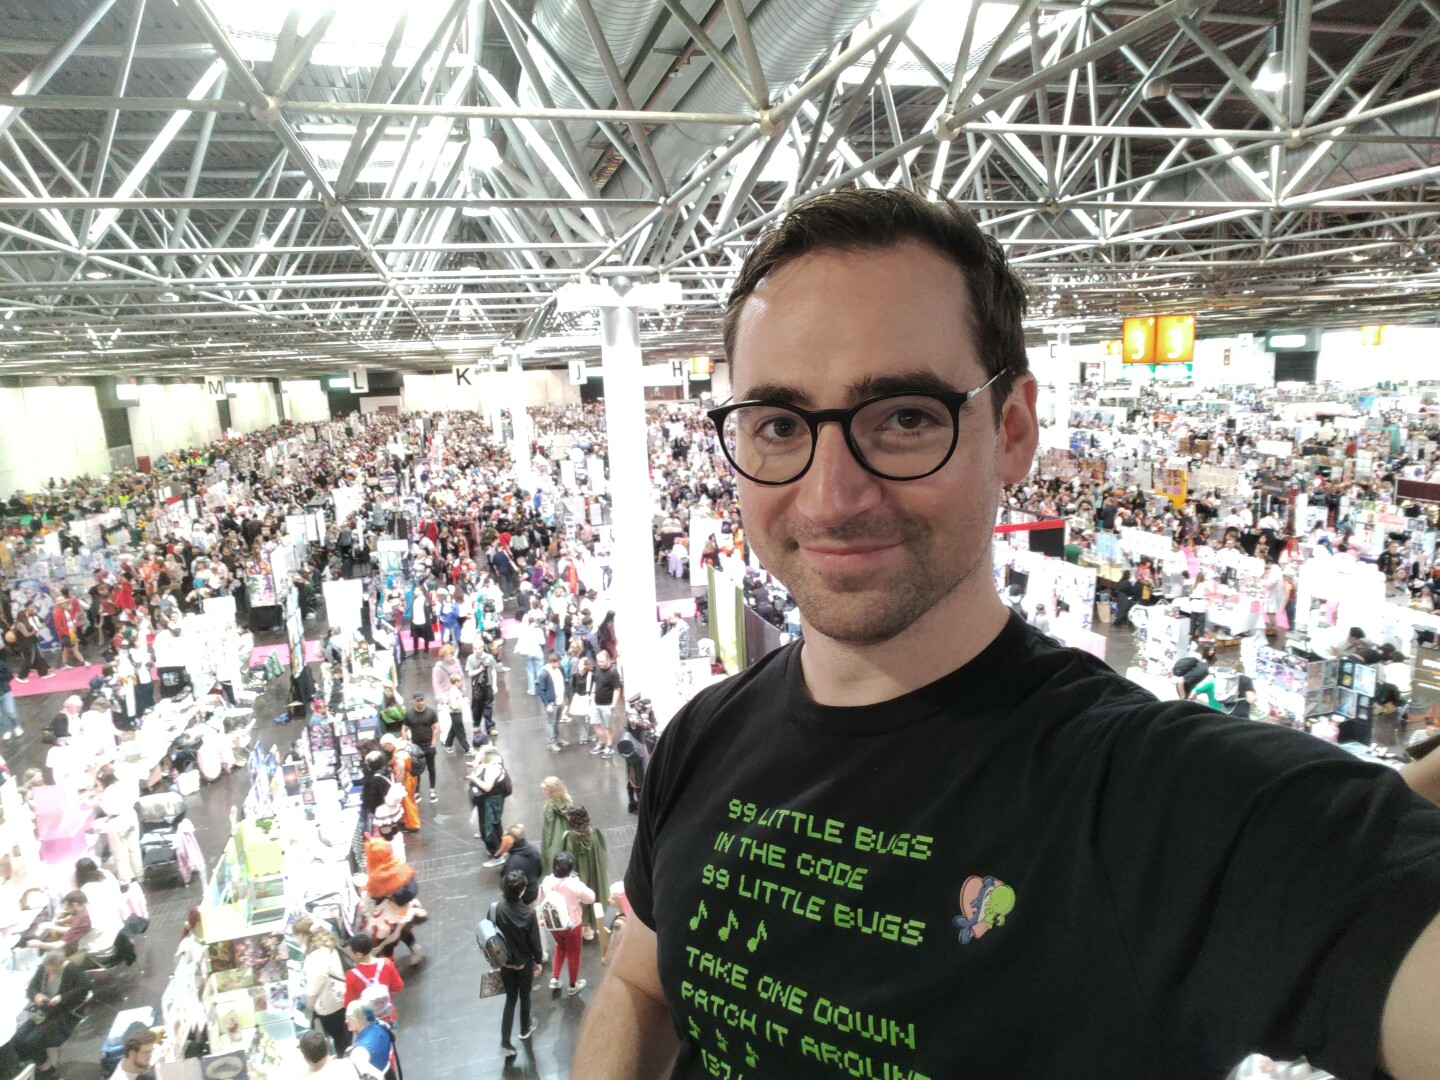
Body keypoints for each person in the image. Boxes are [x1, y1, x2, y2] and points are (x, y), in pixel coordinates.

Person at [574, 188, 1440, 1079]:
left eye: (906, 417)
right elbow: (643, 986)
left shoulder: (1156, 799)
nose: (831, 496)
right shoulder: (701, 737)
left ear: (1014, 431)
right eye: (781, 425)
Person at [12, 950, 91, 1075]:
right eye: (47, 969)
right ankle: (30, 1064)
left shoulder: (71, 969)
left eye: (53, 970)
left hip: (61, 1014)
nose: (49, 972)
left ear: (60, 965)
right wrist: (36, 995)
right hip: (43, 1012)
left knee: (32, 1040)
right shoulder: (43, 969)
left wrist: (62, 997)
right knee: (18, 1038)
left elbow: (85, 986)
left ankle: (46, 1066)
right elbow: (32, 988)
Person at [494, 869, 543, 1059]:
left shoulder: (496, 909)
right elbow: (535, 943)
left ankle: (505, 1042)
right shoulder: (529, 914)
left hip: (505, 965)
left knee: (510, 1000)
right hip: (524, 966)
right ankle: (524, 1029)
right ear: (522, 891)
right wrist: (537, 962)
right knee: (525, 997)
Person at [293, 915, 350, 1054]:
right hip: (338, 998)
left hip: (330, 1005)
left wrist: (309, 1005)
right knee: (343, 1033)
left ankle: (343, 1058)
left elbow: (316, 983)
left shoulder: (315, 956)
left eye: (296, 935)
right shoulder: (324, 943)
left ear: (301, 935)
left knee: (339, 1037)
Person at [540, 851, 594, 996]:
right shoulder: (574, 884)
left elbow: (541, 899)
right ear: (570, 869)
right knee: (573, 954)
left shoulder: (546, 882)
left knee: (560, 947)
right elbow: (591, 898)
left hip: (554, 924)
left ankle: (555, 978)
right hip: (573, 925)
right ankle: (572, 985)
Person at [559, 804, 608, 942]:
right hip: (594, 871)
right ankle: (593, 925)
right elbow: (601, 855)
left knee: (578, 897)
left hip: (576, 874)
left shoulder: (568, 837)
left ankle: (584, 926)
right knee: (592, 893)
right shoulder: (595, 833)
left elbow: (565, 857)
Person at [341, 932, 404, 1014]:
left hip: (368, 1020)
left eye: (350, 952)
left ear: (359, 955)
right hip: (388, 1013)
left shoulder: (352, 975)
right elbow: (398, 986)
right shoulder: (386, 963)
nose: (349, 954)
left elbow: (349, 1003)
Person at [468, 744, 509, 865]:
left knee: (489, 827)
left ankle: (496, 855)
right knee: (492, 824)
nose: (478, 755)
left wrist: (473, 778)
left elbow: (487, 787)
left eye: (481, 753)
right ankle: (500, 847)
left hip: (492, 801)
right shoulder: (490, 762)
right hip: (487, 801)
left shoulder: (494, 768)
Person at [344, 1001, 398, 1080]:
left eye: (349, 1018)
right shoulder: (382, 1025)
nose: (346, 1021)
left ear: (360, 1019)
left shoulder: (359, 1051)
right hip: (389, 1071)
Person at [402, 693, 439, 803]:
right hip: (416, 747)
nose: (421, 702)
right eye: (418, 700)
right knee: (416, 770)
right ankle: (417, 792)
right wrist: (407, 743)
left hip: (428, 746)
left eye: (422, 700)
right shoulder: (409, 715)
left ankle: (432, 791)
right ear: (414, 702)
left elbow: (436, 727)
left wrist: (433, 742)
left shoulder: (431, 712)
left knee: (431, 769)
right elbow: (404, 729)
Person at [589, 651, 622, 759]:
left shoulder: (613, 672)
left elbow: (617, 688)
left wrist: (613, 704)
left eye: (602, 661)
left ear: (608, 660)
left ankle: (609, 745)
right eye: (598, 661)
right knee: (595, 723)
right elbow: (595, 681)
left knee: (609, 725)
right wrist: (592, 694)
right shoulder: (597, 669)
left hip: (607, 704)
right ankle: (601, 743)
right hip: (596, 703)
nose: (600, 664)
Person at [537, 651, 569, 752]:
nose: (558, 665)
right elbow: (541, 690)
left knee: (556, 722)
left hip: (560, 700)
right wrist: (547, 704)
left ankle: (557, 738)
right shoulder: (544, 674)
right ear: (552, 662)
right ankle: (551, 742)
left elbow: (562, 683)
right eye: (557, 663)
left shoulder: (559, 669)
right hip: (552, 702)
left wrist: (565, 697)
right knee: (551, 722)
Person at [502, 824, 542, 904]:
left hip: (518, 897)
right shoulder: (534, 850)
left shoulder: (512, 861)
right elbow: (539, 870)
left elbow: (507, 883)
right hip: (533, 891)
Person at [539, 776, 574, 868]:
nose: (543, 792)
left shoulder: (550, 806)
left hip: (554, 835)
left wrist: (547, 843)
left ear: (550, 791)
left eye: (544, 789)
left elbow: (548, 826)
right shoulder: (567, 800)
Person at [0, 656, 20, 739]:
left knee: (11, 711)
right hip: (4, 690)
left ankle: (17, 726)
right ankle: (6, 730)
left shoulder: (1, 664)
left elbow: (10, 675)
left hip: (5, 692)